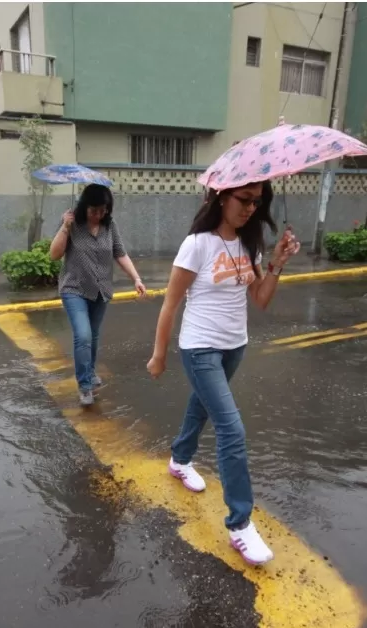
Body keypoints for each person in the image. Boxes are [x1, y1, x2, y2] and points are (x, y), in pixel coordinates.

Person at [145, 180, 300, 565]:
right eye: (244, 200)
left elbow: (260, 299)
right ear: (221, 197)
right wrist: (159, 354)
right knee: (231, 429)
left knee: (202, 407)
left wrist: (278, 262)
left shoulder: (250, 244)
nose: (250, 209)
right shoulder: (197, 244)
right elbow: (170, 305)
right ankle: (240, 524)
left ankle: (180, 459)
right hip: (199, 348)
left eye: (257, 202)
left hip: (235, 346)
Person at [49, 183, 146, 406]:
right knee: (82, 336)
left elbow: (120, 253)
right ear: (85, 207)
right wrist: (65, 227)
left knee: (92, 337)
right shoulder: (72, 222)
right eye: (94, 210)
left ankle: (90, 373)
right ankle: (84, 385)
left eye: (103, 210)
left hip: (101, 290)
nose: (98, 215)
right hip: (74, 288)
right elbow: (54, 255)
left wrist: (136, 278)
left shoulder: (109, 225)